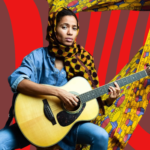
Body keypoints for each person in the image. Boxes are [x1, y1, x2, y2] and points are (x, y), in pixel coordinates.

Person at [0, 7, 120, 150]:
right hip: (30, 123)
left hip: (67, 127)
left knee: (100, 136)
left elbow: (88, 100)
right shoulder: (37, 57)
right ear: (53, 29)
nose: (70, 32)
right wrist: (57, 92)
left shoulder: (84, 60)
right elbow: (16, 81)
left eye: (74, 28)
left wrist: (109, 100)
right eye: (64, 27)